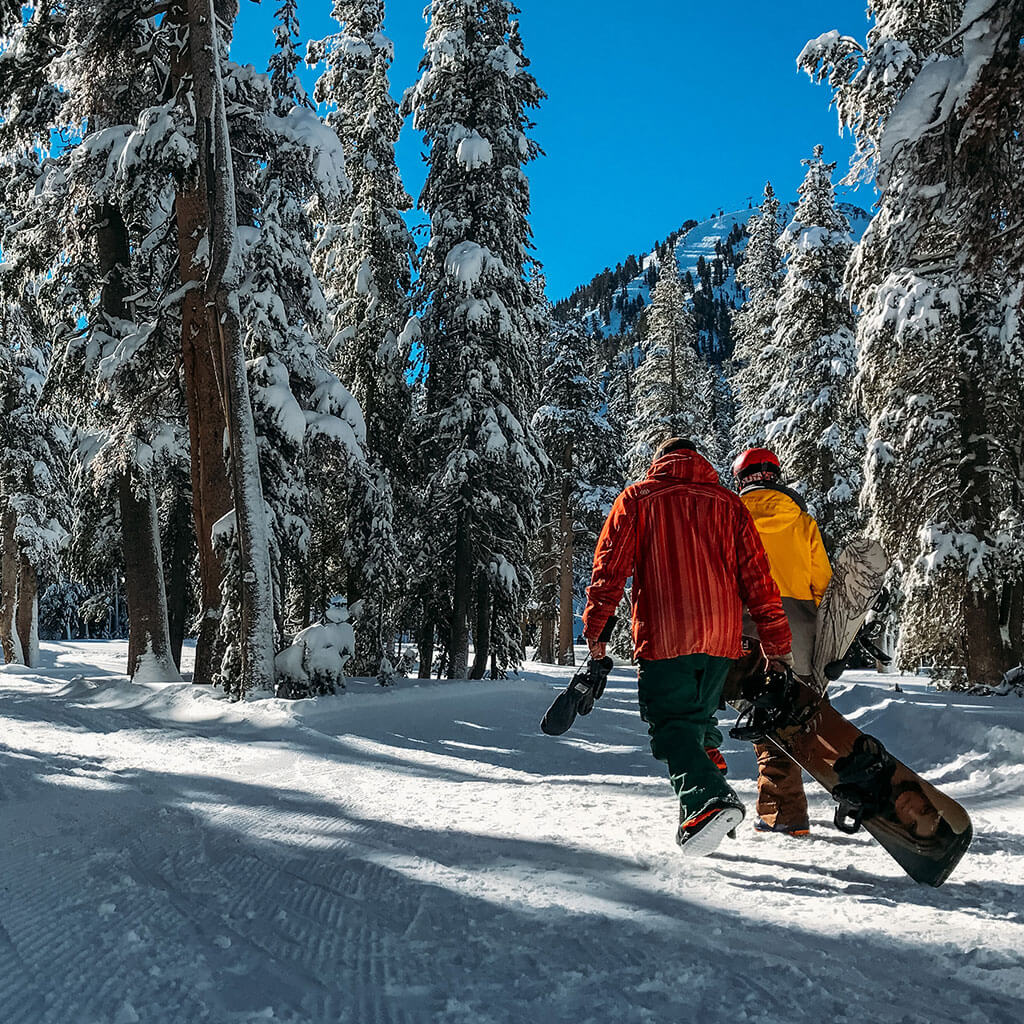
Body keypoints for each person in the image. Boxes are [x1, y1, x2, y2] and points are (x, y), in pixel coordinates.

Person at [582, 438, 793, 855]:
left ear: (660, 462)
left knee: (670, 727)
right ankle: (708, 797)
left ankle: (707, 802)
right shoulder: (730, 505)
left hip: (666, 634)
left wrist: (596, 629)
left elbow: (610, 569)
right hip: (721, 638)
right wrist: (777, 644)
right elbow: (758, 579)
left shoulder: (639, 498)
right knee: (695, 720)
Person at [731, 446, 832, 837]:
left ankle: (785, 812)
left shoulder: (732, 517)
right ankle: (839, 783)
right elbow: (823, 583)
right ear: (775, 475)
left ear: (741, 479)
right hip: (801, 627)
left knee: (767, 716)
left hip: (751, 623)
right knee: (798, 712)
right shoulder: (802, 521)